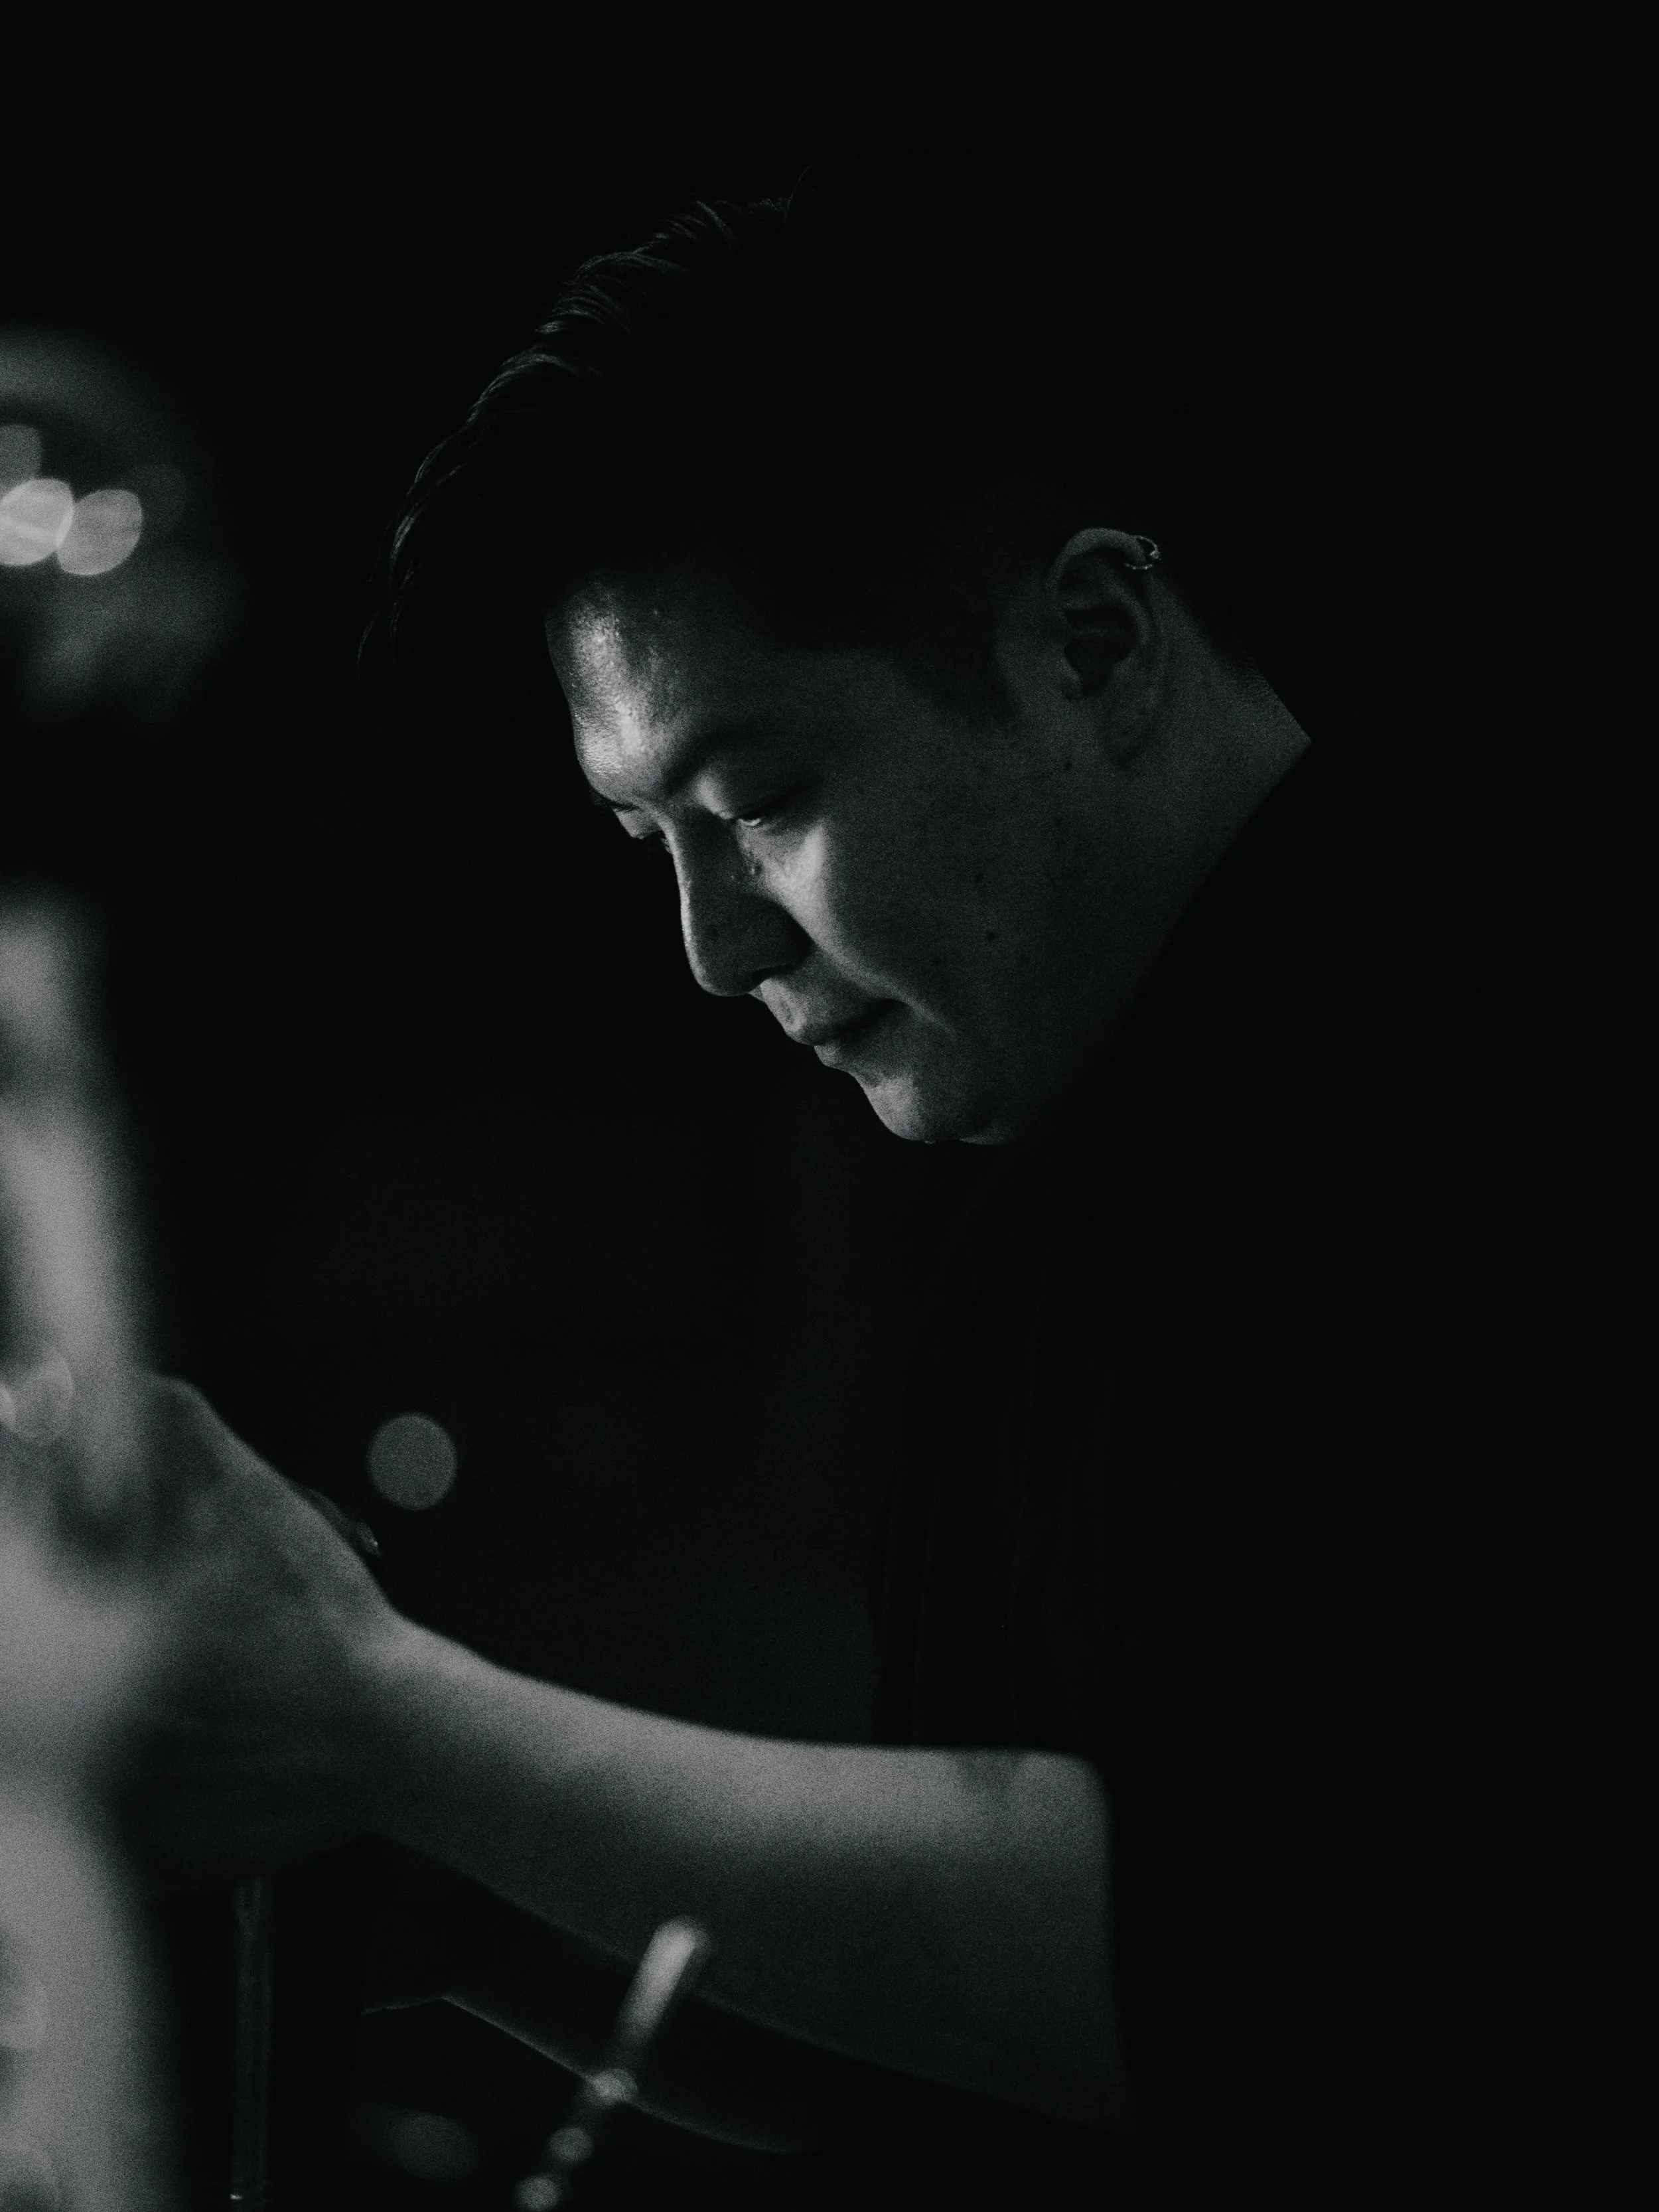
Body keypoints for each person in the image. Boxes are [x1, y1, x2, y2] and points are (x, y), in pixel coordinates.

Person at [128, 153, 1647, 2206]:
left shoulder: (1486, 1100)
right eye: (645, 838)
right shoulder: (1055, 1178)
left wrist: (390, 1717)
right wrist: (482, 1904)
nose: (710, 948)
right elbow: (974, 2060)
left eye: (758, 802)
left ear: (1095, 642)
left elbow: (1222, 1956)